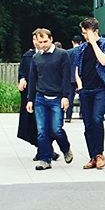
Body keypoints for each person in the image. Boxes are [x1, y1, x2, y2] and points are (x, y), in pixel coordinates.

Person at [26, 28, 73, 170]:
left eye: (45, 41)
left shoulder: (62, 55)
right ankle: (45, 159)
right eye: (40, 42)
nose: (42, 45)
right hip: (40, 97)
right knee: (41, 131)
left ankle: (65, 148)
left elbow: (66, 77)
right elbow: (32, 79)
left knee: (56, 129)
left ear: (51, 39)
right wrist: (30, 99)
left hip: (57, 97)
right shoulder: (36, 57)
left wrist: (65, 96)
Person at [75, 17, 105, 169]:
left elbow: (104, 61)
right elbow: (77, 67)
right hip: (85, 89)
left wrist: (93, 42)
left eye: (87, 33)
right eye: (83, 33)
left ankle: (99, 155)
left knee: (97, 119)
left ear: (95, 31)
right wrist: (80, 86)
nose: (85, 36)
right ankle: (92, 156)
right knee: (88, 123)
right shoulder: (82, 48)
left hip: (101, 88)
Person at [17, 35, 60, 161]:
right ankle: (44, 150)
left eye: (40, 40)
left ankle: (46, 150)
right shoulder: (28, 56)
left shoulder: (55, 55)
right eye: (35, 40)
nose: (37, 43)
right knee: (36, 125)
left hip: (49, 94)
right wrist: (22, 79)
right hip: (32, 95)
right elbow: (22, 71)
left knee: (51, 125)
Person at [65, 36, 82, 122]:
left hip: (71, 77)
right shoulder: (82, 51)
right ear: (81, 42)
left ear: (72, 42)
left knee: (70, 97)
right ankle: (82, 114)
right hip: (81, 77)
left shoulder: (68, 52)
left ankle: (68, 116)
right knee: (83, 96)